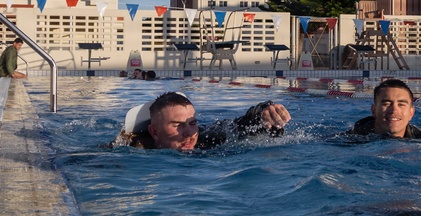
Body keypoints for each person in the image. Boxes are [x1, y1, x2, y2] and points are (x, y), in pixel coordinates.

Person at [113, 91, 291, 150]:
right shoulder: (135, 148)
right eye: (177, 125)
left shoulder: (208, 137)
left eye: (192, 123)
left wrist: (264, 111)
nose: (190, 134)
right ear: (154, 132)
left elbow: (240, 125)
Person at [349, 78, 421, 138]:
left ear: (411, 113)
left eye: (401, 104)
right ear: (374, 110)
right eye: (386, 104)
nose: (394, 110)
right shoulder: (351, 139)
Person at [1, 37, 27, 122]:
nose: (19, 47)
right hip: (4, 75)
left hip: (5, 74)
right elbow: (8, 63)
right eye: (19, 45)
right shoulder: (11, 50)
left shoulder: (12, 50)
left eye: (20, 45)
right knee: (2, 97)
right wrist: (12, 73)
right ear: (14, 43)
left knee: (3, 97)